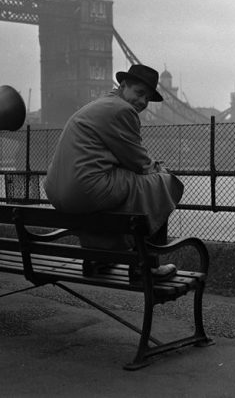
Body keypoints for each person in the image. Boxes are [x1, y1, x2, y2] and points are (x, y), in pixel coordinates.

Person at [43, 64, 183, 281]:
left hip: (57, 190)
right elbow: (139, 162)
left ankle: (100, 259)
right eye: (139, 93)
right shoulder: (123, 110)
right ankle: (147, 266)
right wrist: (160, 169)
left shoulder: (100, 105)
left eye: (147, 98)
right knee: (163, 184)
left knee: (130, 186)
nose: (143, 102)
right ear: (123, 85)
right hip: (85, 188)